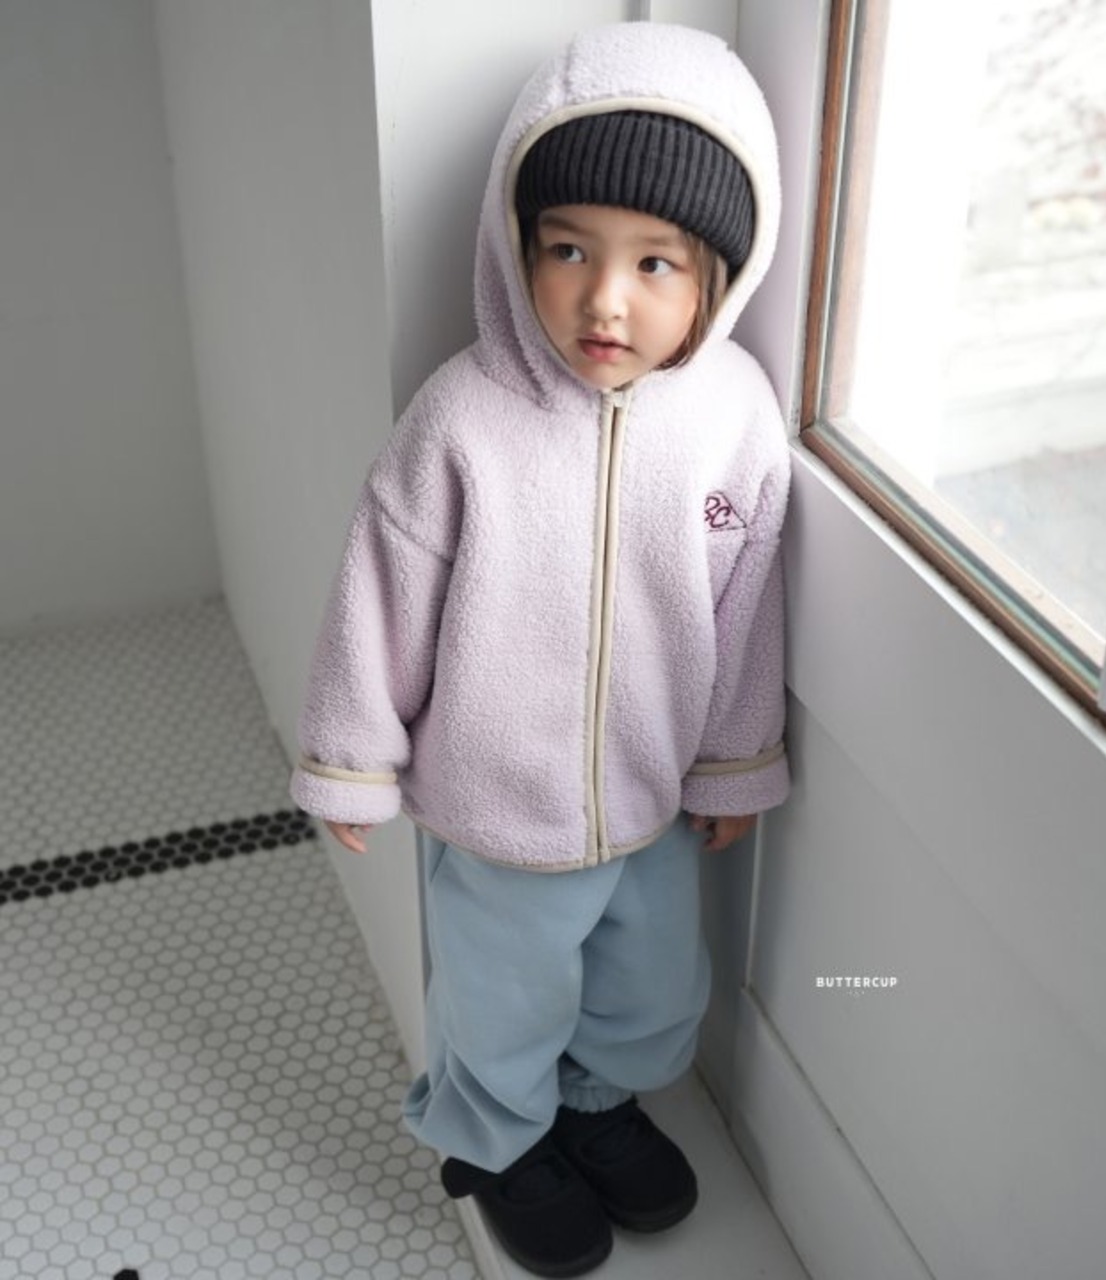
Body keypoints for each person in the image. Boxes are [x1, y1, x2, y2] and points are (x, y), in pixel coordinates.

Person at [289, 20, 789, 1277]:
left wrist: (732, 763)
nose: (603, 298)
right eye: (567, 248)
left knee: (648, 986)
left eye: (654, 262)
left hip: (649, 794)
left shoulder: (733, 418)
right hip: (491, 804)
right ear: (516, 248)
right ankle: (495, 1140)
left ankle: (595, 1102)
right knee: (499, 996)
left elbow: (744, 609)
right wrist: (351, 755)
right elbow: (382, 587)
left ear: (719, 277)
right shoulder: (463, 416)